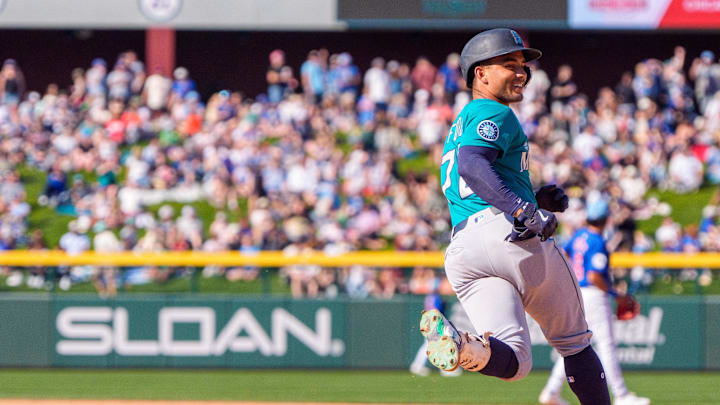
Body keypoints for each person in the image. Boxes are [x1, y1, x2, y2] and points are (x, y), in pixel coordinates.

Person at [420, 28, 611, 405]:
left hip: (464, 249)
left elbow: (471, 176)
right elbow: (472, 165)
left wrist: (534, 196)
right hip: (508, 235)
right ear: (481, 74)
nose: (521, 72)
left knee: (516, 362)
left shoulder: (459, 124)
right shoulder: (492, 111)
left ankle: (464, 348)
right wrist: (523, 207)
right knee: (575, 345)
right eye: (509, 64)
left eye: (523, 65)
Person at [539, 200, 650, 405]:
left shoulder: (579, 235)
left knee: (574, 344)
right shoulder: (598, 241)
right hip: (594, 295)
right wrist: (617, 295)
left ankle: (551, 391)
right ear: (605, 220)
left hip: (576, 291)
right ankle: (621, 394)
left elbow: (563, 254)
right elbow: (594, 276)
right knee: (605, 345)